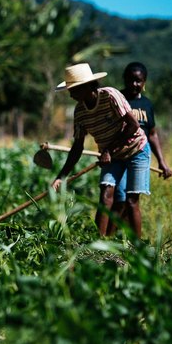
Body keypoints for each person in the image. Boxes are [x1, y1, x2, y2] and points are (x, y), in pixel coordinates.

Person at [51, 63, 149, 238]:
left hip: (136, 148)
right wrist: (61, 176)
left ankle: (138, 249)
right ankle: (98, 245)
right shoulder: (80, 111)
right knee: (106, 195)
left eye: (73, 89)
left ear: (87, 87)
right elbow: (77, 147)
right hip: (112, 156)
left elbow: (133, 125)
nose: (70, 94)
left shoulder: (110, 95)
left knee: (132, 200)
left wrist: (109, 149)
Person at [112, 62, 172, 228]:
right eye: (131, 80)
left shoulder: (147, 105)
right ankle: (107, 243)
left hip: (139, 155)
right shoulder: (117, 99)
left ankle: (129, 243)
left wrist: (162, 161)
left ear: (144, 82)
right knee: (119, 197)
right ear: (124, 79)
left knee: (131, 200)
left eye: (138, 81)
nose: (134, 84)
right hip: (119, 155)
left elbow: (152, 134)